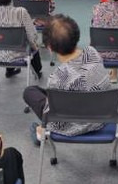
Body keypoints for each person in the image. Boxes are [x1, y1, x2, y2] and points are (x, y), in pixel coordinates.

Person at [23, 14, 110, 142]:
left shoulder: (58, 77)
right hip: (101, 117)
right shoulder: (93, 52)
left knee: (30, 92)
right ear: (77, 36)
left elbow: (53, 119)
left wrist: (44, 128)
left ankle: (40, 133)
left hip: (72, 126)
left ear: (49, 48)